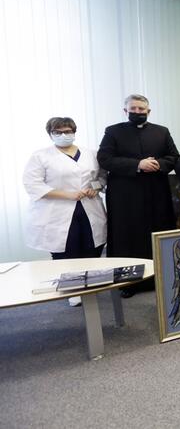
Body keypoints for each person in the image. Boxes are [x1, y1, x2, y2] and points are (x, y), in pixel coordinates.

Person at [98, 94, 178, 297]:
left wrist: (159, 164)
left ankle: (159, 279)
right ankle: (128, 283)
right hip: (126, 195)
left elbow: (174, 157)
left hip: (156, 193)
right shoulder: (113, 131)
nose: (137, 112)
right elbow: (105, 158)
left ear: (148, 111)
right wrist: (137, 165)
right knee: (127, 235)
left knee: (157, 233)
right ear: (125, 111)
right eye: (133, 109)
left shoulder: (162, 132)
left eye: (141, 109)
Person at [24, 118, 107, 306]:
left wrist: (96, 187)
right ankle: (72, 289)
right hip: (57, 210)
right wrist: (66, 195)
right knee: (65, 250)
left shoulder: (90, 154)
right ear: (50, 134)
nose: (63, 135)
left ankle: (89, 284)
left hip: (89, 206)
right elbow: (32, 184)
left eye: (67, 131)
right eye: (58, 132)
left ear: (74, 131)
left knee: (92, 246)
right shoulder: (41, 156)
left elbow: (101, 177)